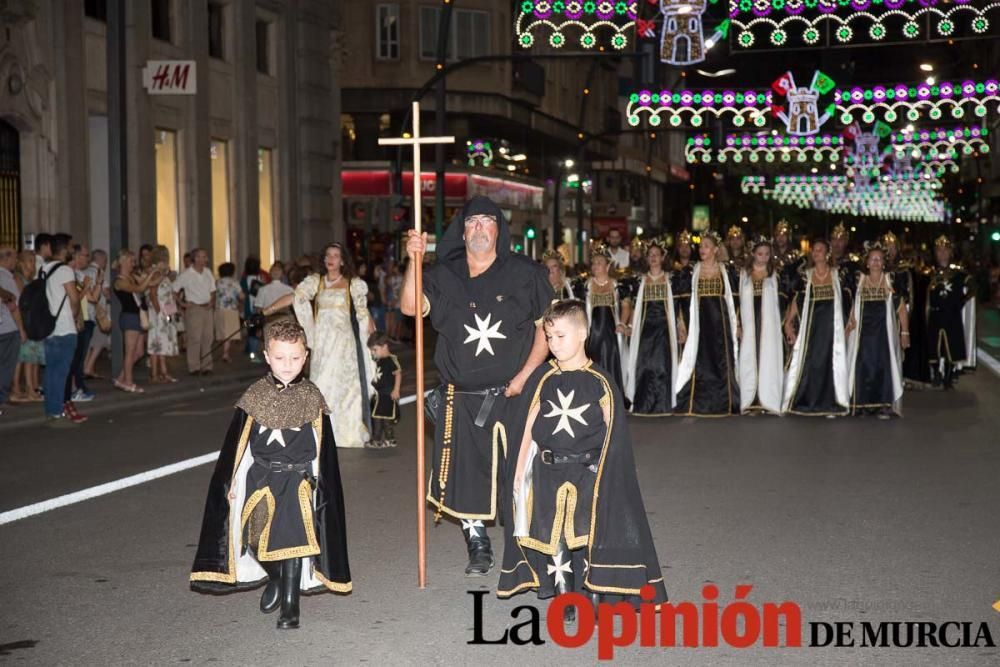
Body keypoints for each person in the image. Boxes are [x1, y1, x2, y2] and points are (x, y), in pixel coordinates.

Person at [400, 195, 551, 577]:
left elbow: (546, 330)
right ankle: (476, 540)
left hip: (514, 391)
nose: (479, 228)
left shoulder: (525, 273)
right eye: (472, 222)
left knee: (519, 472)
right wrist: (413, 262)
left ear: (499, 228)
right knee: (468, 474)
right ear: (462, 230)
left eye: (487, 220)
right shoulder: (442, 275)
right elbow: (410, 308)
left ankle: (525, 542)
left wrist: (525, 376)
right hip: (461, 396)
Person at [499, 300, 668, 615]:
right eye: (549, 337)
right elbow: (529, 425)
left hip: (586, 470)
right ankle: (566, 593)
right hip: (548, 470)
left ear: (583, 334)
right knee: (555, 535)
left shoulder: (600, 381)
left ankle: (589, 590)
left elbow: (613, 433)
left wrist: (609, 475)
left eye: (561, 336)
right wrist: (519, 469)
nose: (553, 344)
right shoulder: (544, 378)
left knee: (586, 533)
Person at [190, 319, 351, 630]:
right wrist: (233, 479)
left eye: (294, 357)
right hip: (260, 477)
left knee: (292, 539)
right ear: (266, 356)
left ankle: (290, 606)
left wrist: (321, 487)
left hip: (296, 480)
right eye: (279, 358)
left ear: (306, 356)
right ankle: (275, 577)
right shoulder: (255, 396)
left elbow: (322, 448)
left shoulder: (312, 397)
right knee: (250, 535)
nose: (287, 365)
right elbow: (239, 445)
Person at [264, 242, 375, 449]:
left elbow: (362, 312)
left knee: (347, 389)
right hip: (324, 344)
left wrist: (372, 337)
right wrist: (267, 310)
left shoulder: (353, 284)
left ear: (342, 261)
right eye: (328, 255)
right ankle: (320, 432)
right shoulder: (316, 282)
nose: (331, 258)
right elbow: (296, 296)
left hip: (344, 344)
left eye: (335, 255)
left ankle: (347, 434)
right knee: (321, 384)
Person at [674, 231, 740, 417]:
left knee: (722, 362)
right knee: (700, 361)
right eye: (701, 246)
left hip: (721, 324)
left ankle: (725, 402)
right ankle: (699, 402)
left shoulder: (726, 271)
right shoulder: (691, 272)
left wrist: (738, 324)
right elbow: (683, 302)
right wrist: (682, 324)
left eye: (706, 246)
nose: (702, 250)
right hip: (700, 325)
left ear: (715, 249)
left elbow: (734, 301)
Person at [782, 238, 850, 417]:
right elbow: (798, 300)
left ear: (827, 253)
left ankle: (830, 403)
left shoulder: (837, 275)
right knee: (811, 362)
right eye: (814, 250)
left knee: (829, 363)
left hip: (831, 328)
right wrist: (789, 322)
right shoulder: (806, 275)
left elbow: (848, 302)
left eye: (820, 250)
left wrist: (849, 324)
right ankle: (807, 400)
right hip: (812, 327)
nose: (816, 253)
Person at [845, 242, 909, 418]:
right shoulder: (859, 282)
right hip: (862, 336)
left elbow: (901, 308)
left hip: (883, 336)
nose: (875, 262)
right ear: (866, 262)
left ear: (883, 263)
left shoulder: (890, 281)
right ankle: (861, 405)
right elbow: (853, 308)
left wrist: (904, 332)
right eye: (872, 259)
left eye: (879, 259)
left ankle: (883, 406)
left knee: (883, 367)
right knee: (862, 367)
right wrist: (848, 328)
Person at [625, 238, 678, 416]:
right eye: (650, 255)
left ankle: (663, 404)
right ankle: (644, 404)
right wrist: (631, 325)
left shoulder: (671, 280)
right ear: (646, 259)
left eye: (657, 255)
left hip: (664, 330)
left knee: (663, 365)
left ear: (663, 257)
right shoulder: (640, 281)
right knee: (645, 365)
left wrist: (680, 327)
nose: (654, 258)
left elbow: (676, 308)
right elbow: (634, 308)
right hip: (645, 330)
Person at [737, 236, 784, 415]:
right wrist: (738, 324)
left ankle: (768, 400)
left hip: (768, 326)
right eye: (760, 254)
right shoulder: (744, 274)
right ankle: (750, 399)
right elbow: (738, 301)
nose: (763, 257)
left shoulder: (775, 274)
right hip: (750, 323)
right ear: (753, 254)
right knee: (750, 357)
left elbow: (781, 301)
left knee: (767, 357)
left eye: (766, 254)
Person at [41, 234, 83, 426]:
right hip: (64, 327)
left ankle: (51, 409)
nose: (72, 251)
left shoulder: (44, 268)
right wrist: (75, 316)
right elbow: (74, 298)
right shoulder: (65, 270)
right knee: (61, 372)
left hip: (48, 327)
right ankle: (57, 412)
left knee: (50, 371)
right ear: (64, 249)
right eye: (70, 247)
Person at [582, 244, 630, 399]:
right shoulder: (586, 285)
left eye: (599, 263)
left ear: (608, 266)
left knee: (611, 359)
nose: (595, 266)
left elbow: (626, 306)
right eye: (593, 263)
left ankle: (613, 396)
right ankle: (595, 395)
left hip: (611, 332)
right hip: (593, 332)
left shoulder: (617, 285)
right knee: (594, 361)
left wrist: (622, 323)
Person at [926, 235, 974, 390]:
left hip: (952, 316)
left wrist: (961, 301)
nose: (942, 254)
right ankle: (936, 375)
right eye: (939, 251)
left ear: (950, 252)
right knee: (934, 347)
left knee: (950, 346)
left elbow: (973, 287)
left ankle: (948, 376)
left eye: (945, 250)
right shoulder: (929, 273)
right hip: (935, 315)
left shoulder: (959, 274)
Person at [113, 249, 159, 393]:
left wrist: (161, 273)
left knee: (138, 352)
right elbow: (139, 288)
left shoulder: (132, 276)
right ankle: (128, 381)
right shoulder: (119, 281)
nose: (134, 263)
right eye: (131, 261)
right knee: (130, 351)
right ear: (124, 262)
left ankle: (121, 378)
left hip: (138, 315)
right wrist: (151, 273)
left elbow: (151, 283)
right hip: (129, 316)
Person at [66, 244, 100, 403]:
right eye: (85, 255)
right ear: (76, 257)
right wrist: (86, 287)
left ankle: (78, 386)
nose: (88, 259)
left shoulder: (79, 274)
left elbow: (93, 298)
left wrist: (98, 283)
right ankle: (73, 388)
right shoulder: (70, 275)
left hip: (86, 318)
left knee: (80, 356)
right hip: (76, 319)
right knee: (75, 357)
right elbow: (75, 298)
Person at [174, 248, 216, 375]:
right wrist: (182, 304)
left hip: (207, 308)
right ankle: (194, 366)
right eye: (201, 257)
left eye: (205, 257)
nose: (204, 260)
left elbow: (213, 290)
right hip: (194, 308)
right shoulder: (186, 274)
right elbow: (174, 290)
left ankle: (207, 366)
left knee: (208, 337)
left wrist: (212, 300)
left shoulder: (208, 272)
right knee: (194, 338)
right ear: (195, 258)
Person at [11, 250, 43, 403]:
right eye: (30, 260)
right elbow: (22, 300)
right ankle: (20, 389)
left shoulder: (30, 279)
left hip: (30, 321)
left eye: (34, 261)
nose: (33, 264)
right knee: (23, 357)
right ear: (21, 262)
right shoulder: (18, 278)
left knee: (27, 357)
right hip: (23, 321)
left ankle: (27, 388)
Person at [147, 245, 179, 384]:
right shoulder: (155, 273)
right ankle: (155, 374)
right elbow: (153, 293)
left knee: (162, 343)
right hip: (158, 313)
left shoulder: (162, 273)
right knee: (156, 343)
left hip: (165, 311)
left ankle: (163, 372)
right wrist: (159, 311)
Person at [367, 331, 401, 449]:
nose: (373, 353)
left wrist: (396, 390)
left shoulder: (391, 360)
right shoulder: (380, 360)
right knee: (378, 417)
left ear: (384, 346)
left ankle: (383, 439)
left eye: (375, 350)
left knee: (385, 419)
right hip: (380, 394)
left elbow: (397, 374)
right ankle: (384, 439)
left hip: (388, 394)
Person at [0, 246, 23, 417]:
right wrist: (21, 329)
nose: (16, 260)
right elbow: (13, 305)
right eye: (14, 257)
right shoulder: (6, 278)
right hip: (8, 328)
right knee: (6, 367)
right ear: (5, 258)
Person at [82, 249, 111, 380]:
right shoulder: (99, 273)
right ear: (100, 260)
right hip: (97, 312)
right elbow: (105, 292)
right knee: (100, 340)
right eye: (105, 260)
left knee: (88, 342)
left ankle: (86, 367)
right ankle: (89, 367)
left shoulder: (83, 271)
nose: (105, 263)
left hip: (84, 311)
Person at [215, 262, 244, 363]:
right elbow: (241, 296)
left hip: (219, 309)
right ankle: (225, 354)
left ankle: (223, 351)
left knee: (222, 332)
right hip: (231, 309)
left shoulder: (217, 282)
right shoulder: (234, 282)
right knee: (230, 333)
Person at [241, 256, 266, 362]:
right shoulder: (261, 279)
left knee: (250, 330)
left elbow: (242, 294)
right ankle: (253, 354)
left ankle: (249, 350)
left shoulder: (243, 280)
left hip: (248, 308)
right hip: (258, 307)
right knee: (255, 332)